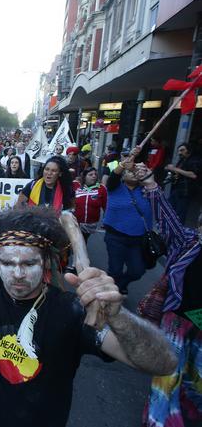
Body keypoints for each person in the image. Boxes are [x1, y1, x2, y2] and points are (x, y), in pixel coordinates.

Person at [0, 205, 178, 427]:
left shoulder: (73, 311)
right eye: (7, 263)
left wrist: (118, 317)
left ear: (47, 262)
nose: (17, 274)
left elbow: (164, 363)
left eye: (29, 263)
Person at [134, 163, 202, 427]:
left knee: (196, 377)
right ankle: (159, 420)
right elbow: (166, 215)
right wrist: (150, 182)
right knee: (168, 372)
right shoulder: (187, 243)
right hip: (177, 319)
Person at [102, 148, 150, 294]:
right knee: (115, 270)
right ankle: (111, 294)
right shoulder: (115, 187)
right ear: (123, 176)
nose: (133, 174)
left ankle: (120, 284)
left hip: (137, 239)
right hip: (116, 237)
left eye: (135, 172)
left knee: (137, 270)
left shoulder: (146, 190)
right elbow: (113, 176)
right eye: (130, 172)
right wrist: (124, 164)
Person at [166, 143, 201, 225]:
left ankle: (178, 233)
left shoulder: (194, 160)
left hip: (186, 191)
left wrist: (175, 169)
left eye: (182, 150)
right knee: (168, 208)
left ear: (188, 150)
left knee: (180, 214)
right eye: (179, 151)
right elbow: (179, 172)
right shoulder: (182, 160)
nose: (180, 153)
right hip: (177, 189)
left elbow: (193, 175)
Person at [73, 167, 107, 242]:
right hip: (75, 222)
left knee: (82, 242)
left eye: (95, 174)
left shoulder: (101, 188)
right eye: (90, 174)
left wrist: (107, 222)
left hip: (90, 224)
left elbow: (106, 207)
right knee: (75, 242)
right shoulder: (76, 185)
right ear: (84, 177)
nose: (94, 176)